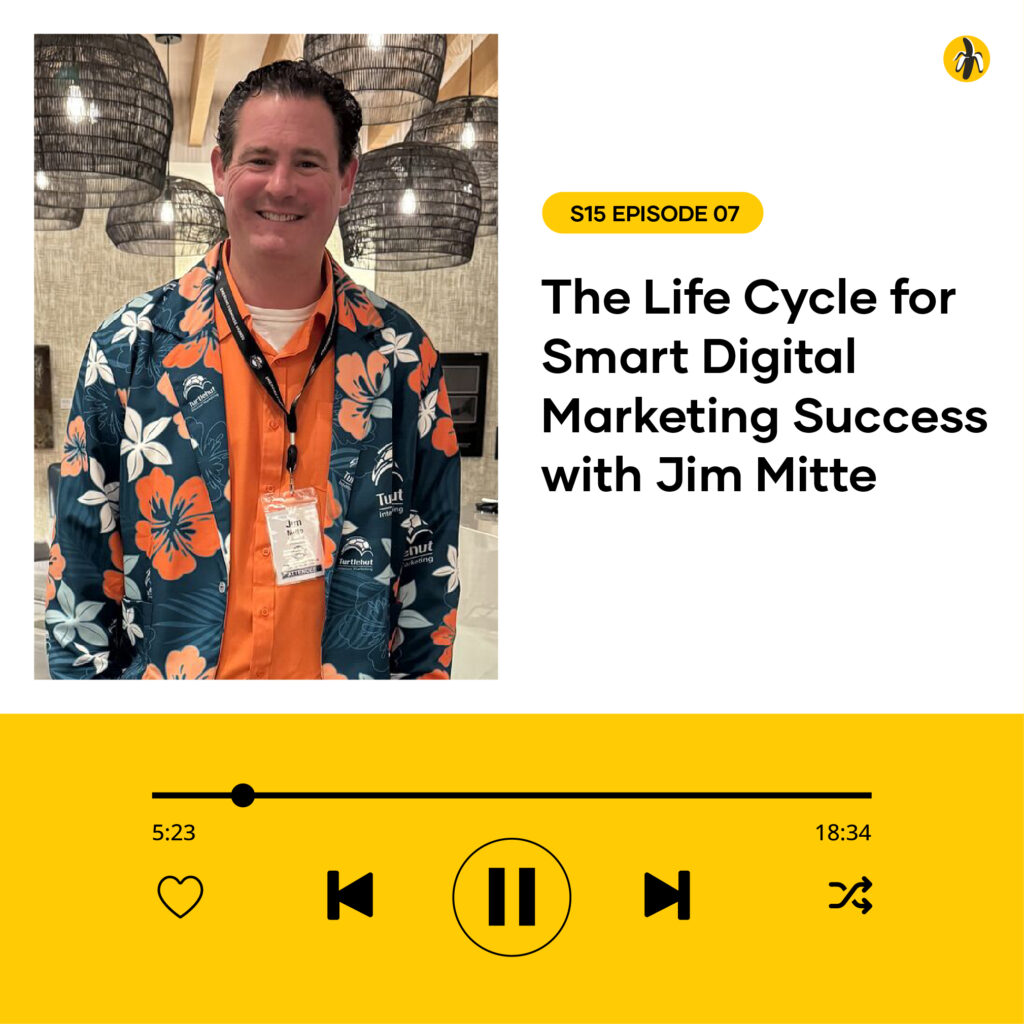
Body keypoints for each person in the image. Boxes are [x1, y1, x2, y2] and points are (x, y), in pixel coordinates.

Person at [45, 60, 461, 679]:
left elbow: (430, 579)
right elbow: (79, 576)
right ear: (220, 170)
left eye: (309, 163)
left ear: (347, 179)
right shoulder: (127, 349)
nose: (281, 185)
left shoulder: (404, 359)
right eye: (259, 159)